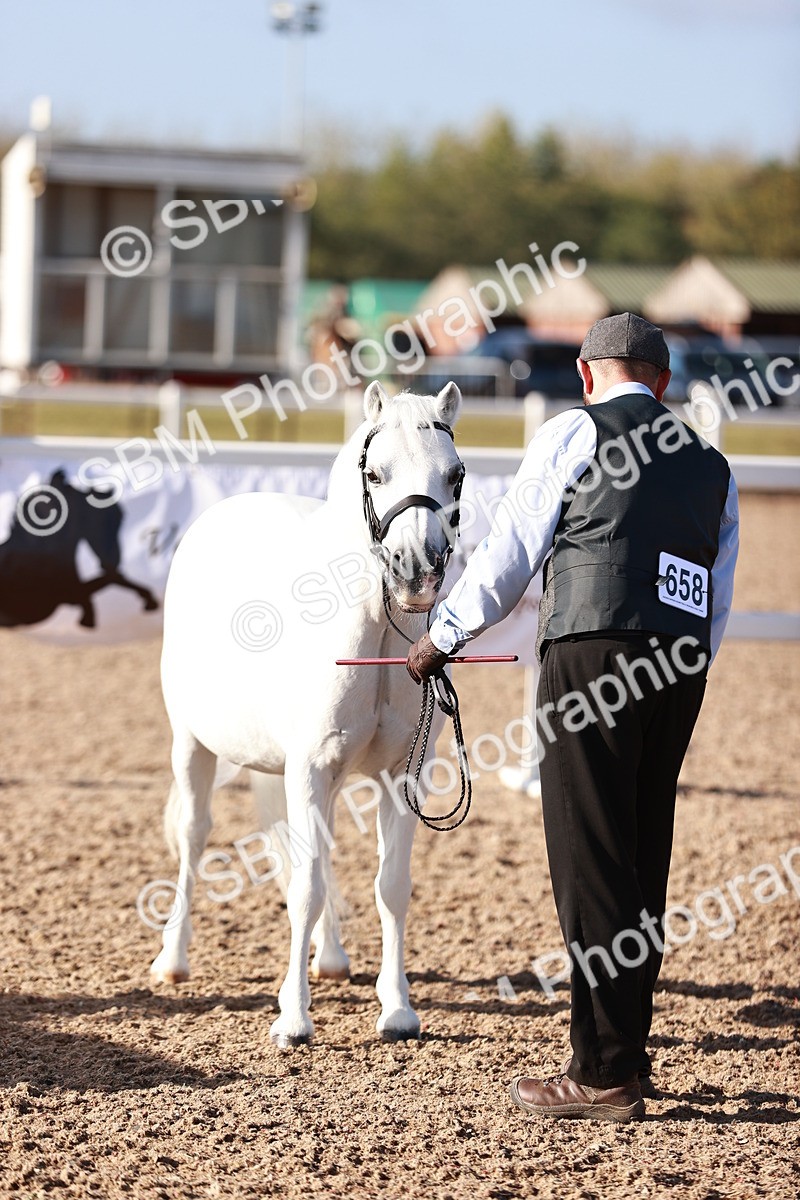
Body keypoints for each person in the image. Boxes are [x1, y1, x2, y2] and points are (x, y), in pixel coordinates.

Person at [406, 312, 739, 1123]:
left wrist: (444, 634)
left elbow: (511, 553)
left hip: (593, 654)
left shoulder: (573, 432)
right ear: (662, 382)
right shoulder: (712, 463)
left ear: (588, 374)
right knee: (641, 855)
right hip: (678, 667)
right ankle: (624, 1052)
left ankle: (603, 1072)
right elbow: (718, 592)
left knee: (590, 860)